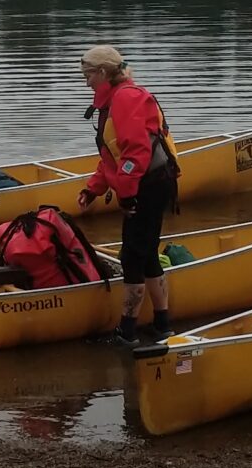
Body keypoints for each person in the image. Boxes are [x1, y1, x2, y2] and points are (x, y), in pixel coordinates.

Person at [77, 43, 179, 346]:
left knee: (133, 256)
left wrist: (128, 194)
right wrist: (93, 189)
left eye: (88, 75)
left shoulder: (125, 99)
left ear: (102, 72)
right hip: (147, 183)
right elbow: (113, 156)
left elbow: (135, 152)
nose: (86, 82)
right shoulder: (113, 100)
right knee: (145, 253)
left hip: (149, 185)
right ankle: (162, 325)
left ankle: (127, 332)